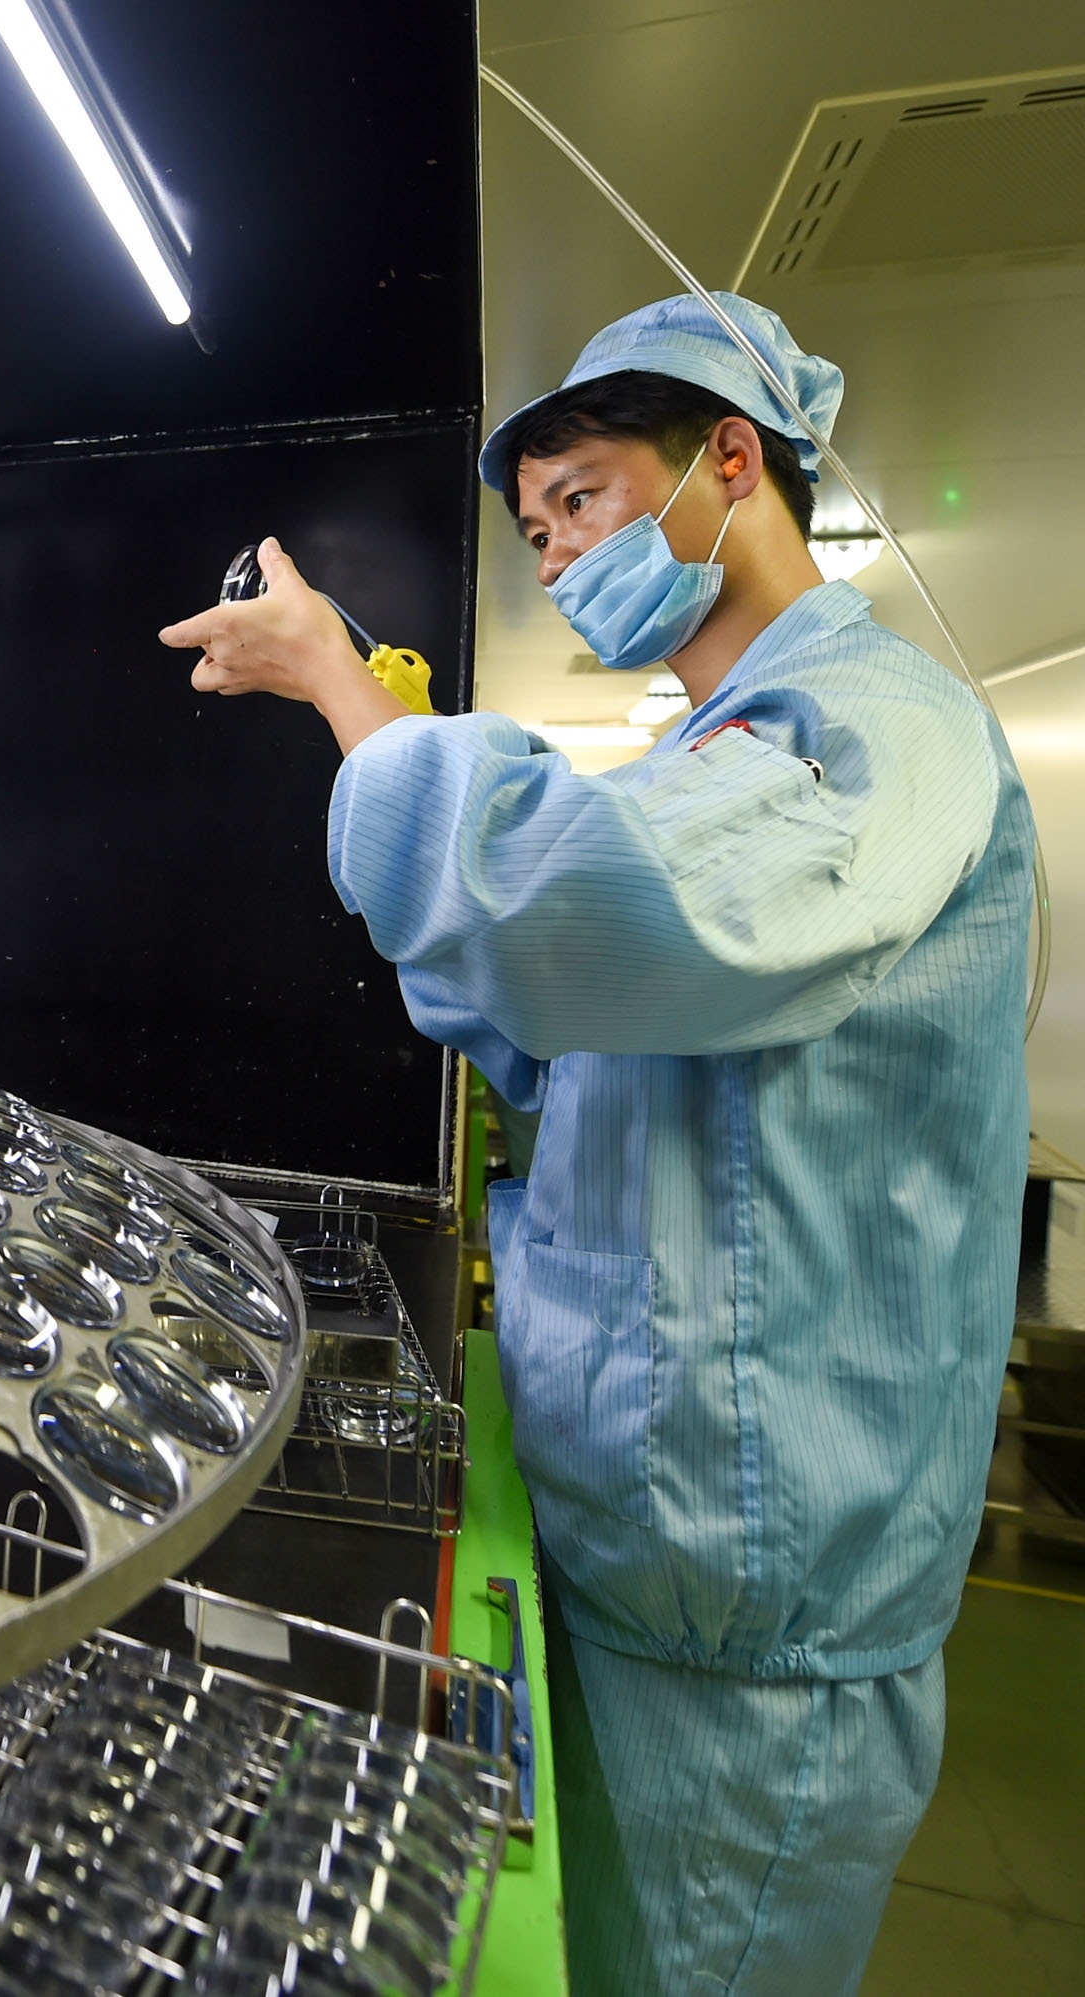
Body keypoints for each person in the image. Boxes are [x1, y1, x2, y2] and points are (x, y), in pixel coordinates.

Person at [159, 293, 1033, 1996]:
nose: (558, 552)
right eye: (538, 526)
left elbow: (592, 913)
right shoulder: (718, 747)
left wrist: (347, 692)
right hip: (654, 1549)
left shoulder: (877, 724)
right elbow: (597, 1041)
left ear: (730, 461)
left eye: (586, 498)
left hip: (753, 1626)